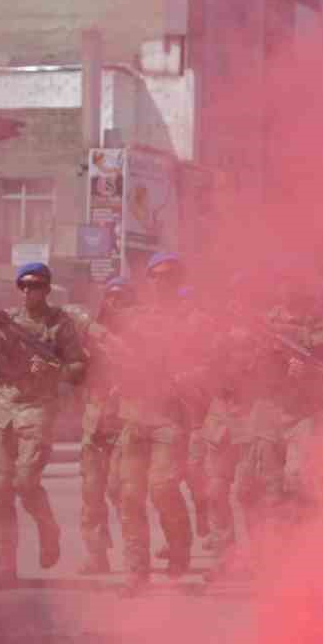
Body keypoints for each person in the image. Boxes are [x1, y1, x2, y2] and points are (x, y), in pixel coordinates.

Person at [0, 263, 85, 589]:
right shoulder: (5, 320)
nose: (28, 291)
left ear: (46, 289)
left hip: (38, 407)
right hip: (5, 407)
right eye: (23, 285)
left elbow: (78, 366)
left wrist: (54, 370)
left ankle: (47, 526)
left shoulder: (60, 324)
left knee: (25, 482)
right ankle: (5, 566)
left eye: (35, 285)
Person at [116, 253, 198, 596]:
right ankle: (137, 573)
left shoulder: (194, 321)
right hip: (135, 413)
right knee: (130, 496)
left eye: (169, 276)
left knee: (162, 487)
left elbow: (212, 364)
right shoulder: (132, 319)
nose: (162, 282)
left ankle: (179, 549)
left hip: (169, 416)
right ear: (148, 282)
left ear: (179, 281)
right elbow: (113, 356)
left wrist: (185, 377)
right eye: (156, 276)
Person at [71, 279, 136, 575]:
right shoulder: (90, 337)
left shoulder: (139, 335)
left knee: (121, 492)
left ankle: (136, 558)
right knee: (91, 494)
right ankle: (97, 555)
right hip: (95, 422)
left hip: (125, 423)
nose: (115, 304)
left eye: (121, 298)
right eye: (111, 298)